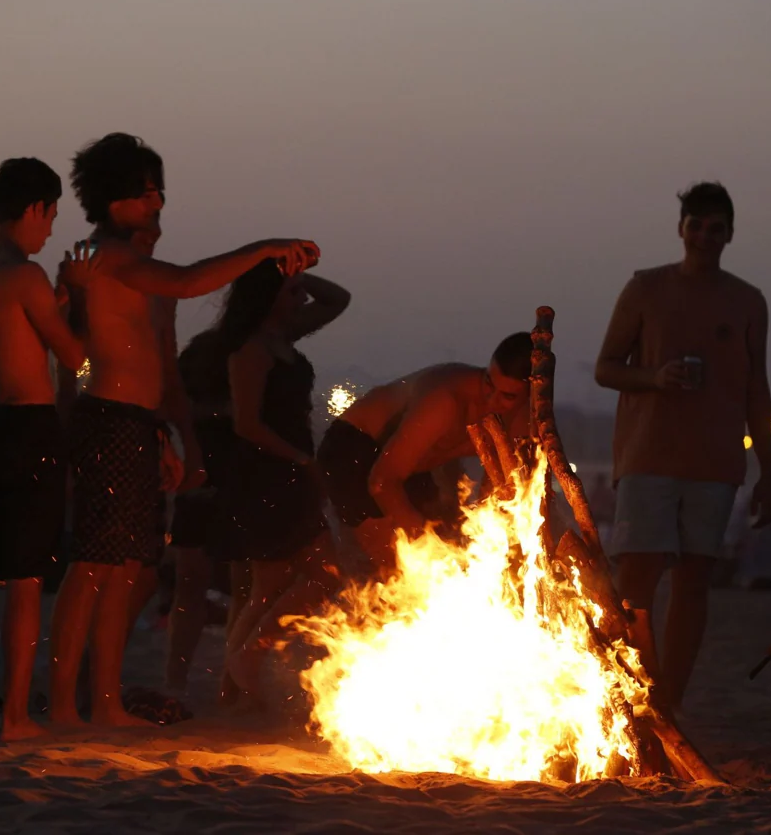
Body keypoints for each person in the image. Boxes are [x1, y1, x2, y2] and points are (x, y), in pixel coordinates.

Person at [47, 132, 319, 727]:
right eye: (146, 193)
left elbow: (166, 367)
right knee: (95, 565)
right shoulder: (106, 257)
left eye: (159, 192)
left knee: (130, 571)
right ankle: (67, 702)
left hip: (140, 424)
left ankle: (107, 699)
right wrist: (267, 247)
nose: (158, 204)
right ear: (114, 198)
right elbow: (191, 278)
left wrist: (184, 442)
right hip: (109, 418)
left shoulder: (131, 269)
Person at [594, 181, 771, 710]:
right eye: (695, 225)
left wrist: (769, 470)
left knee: (694, 584)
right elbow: (607, 367)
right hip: (648, 456)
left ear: (729, 234)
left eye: (714, 228)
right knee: (636, 585)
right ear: (681, 229)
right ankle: (627, 697)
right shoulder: (645, 289)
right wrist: (655, 377)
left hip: (716, 462)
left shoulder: (747, 302)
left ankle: (668, 705)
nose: (703, 236)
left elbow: (756, 388)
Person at [0, 158, 95, 739]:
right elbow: (74, 356)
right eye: (51, 215)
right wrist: (75, 297)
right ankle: (13, 717)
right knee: (26, 576)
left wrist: (48, 305)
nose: (51, 229)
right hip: (28, 427)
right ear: (34, 209)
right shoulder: (22, 273)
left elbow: (8, 332)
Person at [172, 261, 349, 702]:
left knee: (272, 586)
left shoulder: (282, 339)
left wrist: (297, 272)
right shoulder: (250, 350)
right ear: (267, 298)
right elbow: (247, 424)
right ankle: (242, 669)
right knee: (279, 582)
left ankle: (236, 684)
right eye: (291, 293)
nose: (302, 300)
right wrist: (300, 459)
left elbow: (338, 300)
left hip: (290, 472)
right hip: (266, 474)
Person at [316, 333, 533, 577]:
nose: (491, 401)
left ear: (530, 395)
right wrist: (428, 549)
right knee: (401, 576)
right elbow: (381, 482)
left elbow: (495, 498)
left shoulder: (523, 426)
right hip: (356, 450)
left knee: (449, 546)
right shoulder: (446, 400)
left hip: (412, 469)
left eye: (508, 396)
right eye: (489, 384)